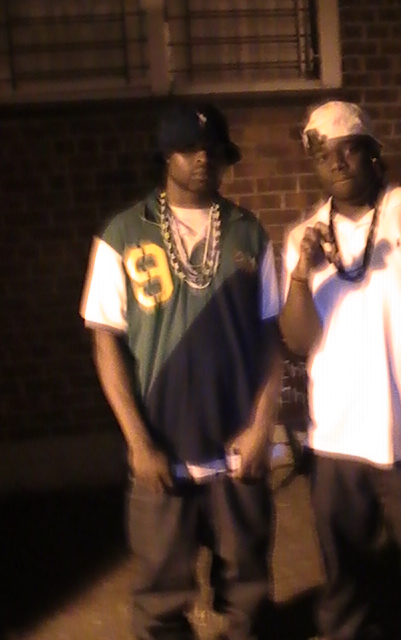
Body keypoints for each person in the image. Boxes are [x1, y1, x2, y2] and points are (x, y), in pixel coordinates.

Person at [80, 100, 282, 640]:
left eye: (213, 150)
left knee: (249, 590)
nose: (203, 160)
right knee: (160, 597)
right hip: (162, 451)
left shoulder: (248, 232)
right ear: (165, 155)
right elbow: (105, 343)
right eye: (189, 149)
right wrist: (138, 442)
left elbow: (271, 339)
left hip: (236, 451)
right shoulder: (123, 233)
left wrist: (263, 428)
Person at [280, 100, 401, 640]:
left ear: (372, 151)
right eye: (324, 154)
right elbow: (297, 340)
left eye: (348, 148)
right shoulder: (304, 237)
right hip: (335, 441)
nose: (337, 162)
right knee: (345, 580)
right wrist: (300, 276)